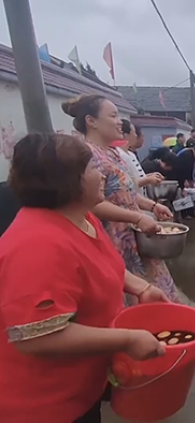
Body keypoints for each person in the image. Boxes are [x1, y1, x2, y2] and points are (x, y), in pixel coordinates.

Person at [0, 133, 169, 422]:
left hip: (82, 387)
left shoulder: (80, 216)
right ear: (68, 181)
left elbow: (103, 263)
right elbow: (36, 338)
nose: (101, 174)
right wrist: (127, 339)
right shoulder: (36, 245)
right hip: (46, 405)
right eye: (92, 168)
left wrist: (142, 287)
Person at [61, 95, 180, 304]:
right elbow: (93, 205)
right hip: (114, 238)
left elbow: (127, 191)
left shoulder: (114, 153)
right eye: (113, 115)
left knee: (155, 290)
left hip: (135, 233)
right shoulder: (87, 155)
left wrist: (152, 206)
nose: (120, 122)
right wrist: (137, 218)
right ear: (92, 121)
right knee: (131, 297)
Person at [117, 120, 163, 193]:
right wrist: (148, 180)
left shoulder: (131, 154)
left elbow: (136, 177)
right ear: (126, 135)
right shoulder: (119, 155)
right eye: (134, 133)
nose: (136, 136)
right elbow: (126, 184)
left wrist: (150, 176)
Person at [176, 144, 195, 218]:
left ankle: (191, 211)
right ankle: (185, 214)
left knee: (190, 195)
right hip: (180, 177)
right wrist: (184, 182)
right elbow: (181, 170)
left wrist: (191, 180)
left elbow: (190, 170)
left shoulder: (191, 155)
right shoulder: (187, 156)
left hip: (187, 178)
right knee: (184, 195)